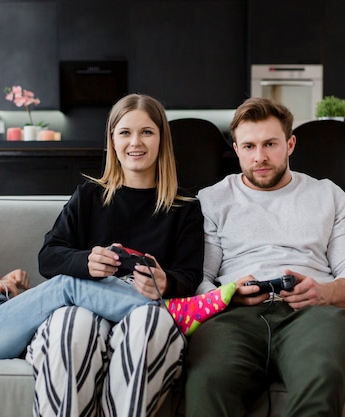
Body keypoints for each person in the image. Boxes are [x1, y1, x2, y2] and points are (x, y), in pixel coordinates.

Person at [0, 157, 219, 361]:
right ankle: (169, 313)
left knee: (71, 312)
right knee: (68, 284)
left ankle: (144, 327)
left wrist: (9, 291)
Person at [184, 97, 345, 417]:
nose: (259, 157)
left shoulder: (327, 195)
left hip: (313, 312)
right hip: (233, 316)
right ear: (236, 149)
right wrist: (225, 297)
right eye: (248, 147)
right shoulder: (212, 199)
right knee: (208, 383)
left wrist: (326, 292)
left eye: (270, 144)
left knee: (322, 378)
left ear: (290, 144)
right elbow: (197, 276)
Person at [26, 93, 208, 417]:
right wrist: (85, 261)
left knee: (151, 324)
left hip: (144, 313)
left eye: (146, 132)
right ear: (112, 139)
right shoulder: (88, 196)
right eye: (125, 132)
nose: (135, 142)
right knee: (69, 324)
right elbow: (48, 256)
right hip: (86, 306)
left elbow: (190, 276)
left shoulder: (185, 207)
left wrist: (166, 283)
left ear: (161, 139)